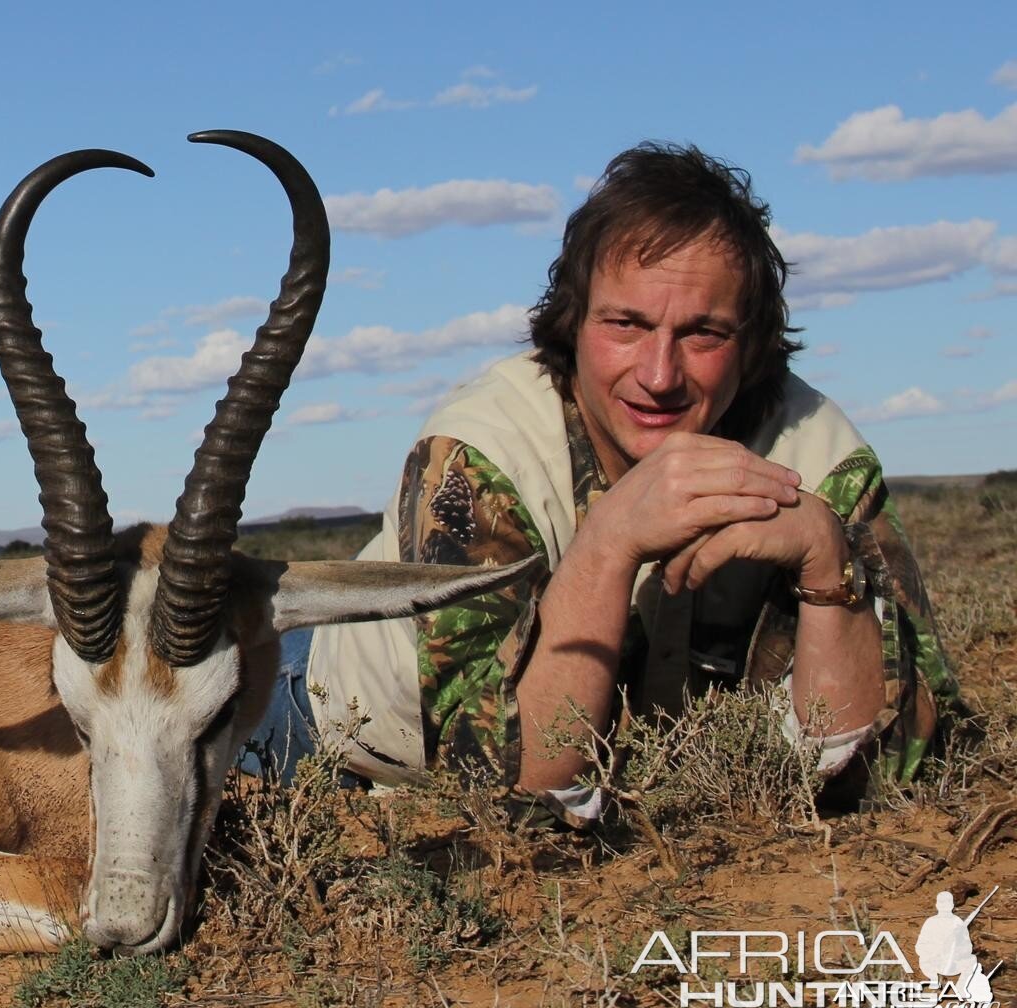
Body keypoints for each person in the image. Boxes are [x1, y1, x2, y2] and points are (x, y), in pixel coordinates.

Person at [303, 143, 956, 822]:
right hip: (338, 736)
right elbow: (505, 789)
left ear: (753, 342)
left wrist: (827, 560)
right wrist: (609, 543)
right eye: (626, 325)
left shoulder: (818, 453)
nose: (659, 375)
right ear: (574, 322)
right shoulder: (478, 451)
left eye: (704, 333)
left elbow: (903, 761)